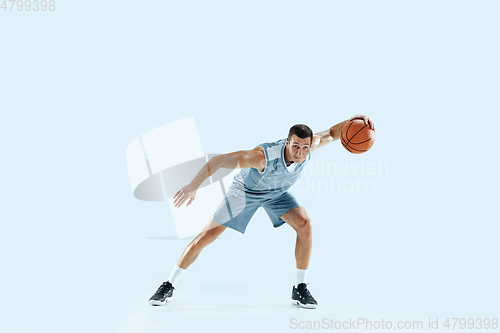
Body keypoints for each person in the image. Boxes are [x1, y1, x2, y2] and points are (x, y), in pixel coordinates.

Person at [148, 115, 375, 309]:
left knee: (305, 224)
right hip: (245, 192)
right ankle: (168, 284)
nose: (300, 152)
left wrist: (357, 119)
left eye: (304, 147)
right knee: (207, 236)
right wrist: (193, 185)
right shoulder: (262, 157)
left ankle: (299, 287)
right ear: (287, 142)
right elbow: (220, 160)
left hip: (276, 193)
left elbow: (335, 133)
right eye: (295, 146)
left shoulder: (310, 146)